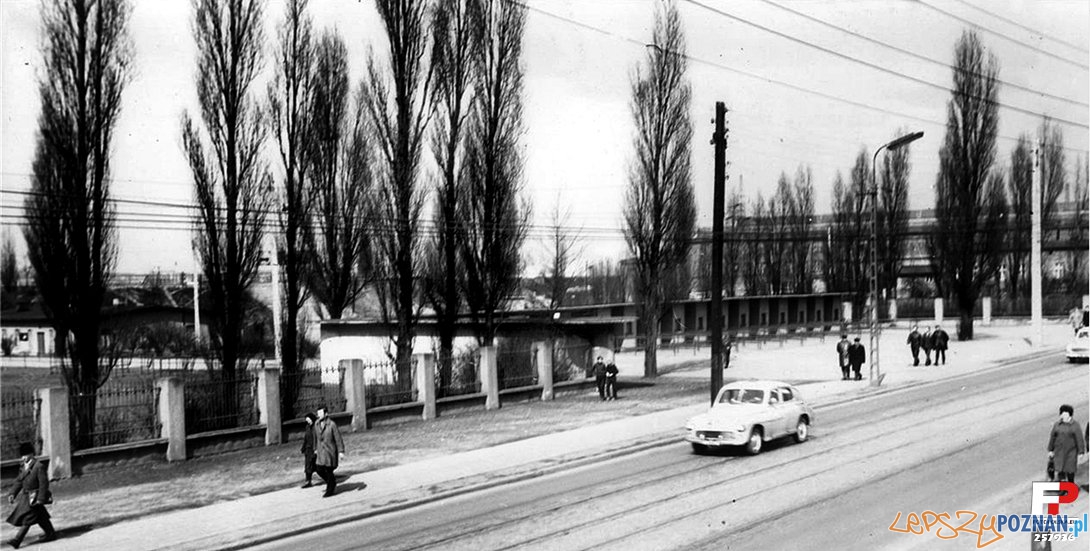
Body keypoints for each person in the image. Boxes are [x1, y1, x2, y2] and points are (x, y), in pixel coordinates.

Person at [6, 443, 56, 549]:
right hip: (26, 497)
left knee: (28, 518)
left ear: (32, 454)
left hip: (35, 497)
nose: (23, 458)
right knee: (41, 517)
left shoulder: (39, 466)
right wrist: (12, 493)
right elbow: (19, 481)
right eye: (22, 456)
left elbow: (44, 484)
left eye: (25, 455)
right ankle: (50, 533)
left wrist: (41, 498)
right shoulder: (23, 466)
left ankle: (17, 540)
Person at [1048, 404, 1086, 484]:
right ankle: (1063, 488)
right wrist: (1050, 450)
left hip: (1070, 452)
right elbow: (1052, 437)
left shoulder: (1075, 426)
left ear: (1069, 414)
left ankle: (1071, 486)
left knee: (1070, 470)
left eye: (1065, 413)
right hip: (1059, 452)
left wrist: (1081, 452)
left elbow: (1079, 439)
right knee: (1060, 470)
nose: (1062, 415)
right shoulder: (1057, 425)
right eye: (1062, 413)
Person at [313, 406, 345, 498]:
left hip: (330, 452)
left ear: (326, 414)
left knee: (328, 470)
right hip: (320, 452)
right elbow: (315, 437)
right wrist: (315, 448)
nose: (318, 415)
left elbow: (338, 438)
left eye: (320, 413)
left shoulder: (332, 425)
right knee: (319, 469)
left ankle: (329, 489)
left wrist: (341, 451)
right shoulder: (316, 424)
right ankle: (331, 482)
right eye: (318, 413)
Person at [300, 412, 317, 488]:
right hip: (308, 449)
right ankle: (308, 481)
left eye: (309, 420)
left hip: (314, 448)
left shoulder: (316, 427)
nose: (308, 422)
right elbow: (306, 438)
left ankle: (328, 478)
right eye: (307, 420)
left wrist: (316, 449)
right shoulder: (307, 427)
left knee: (317, 465)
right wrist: (303, 447)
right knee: (308, 465)